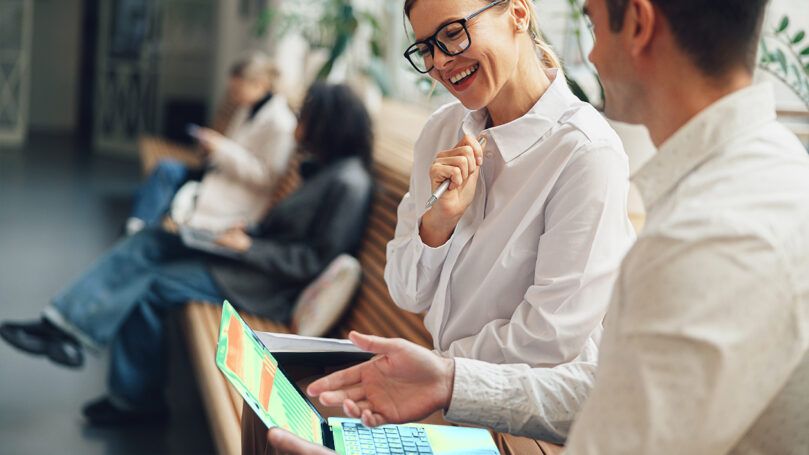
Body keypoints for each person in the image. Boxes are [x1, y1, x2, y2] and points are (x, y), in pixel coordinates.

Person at [265, 0, 809, 453]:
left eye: (593, 24)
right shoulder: (754, 181)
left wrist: (448, 387)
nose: (588, 54)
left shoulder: (711, 229)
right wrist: (451, 382)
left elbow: (612, 424)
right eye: (426, 47)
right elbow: (616, 396)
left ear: (639, 25)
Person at [242, 0, 635, 452]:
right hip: (440, 386)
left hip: (523, 419)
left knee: (291, 436)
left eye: (452, 33)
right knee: (267, 398)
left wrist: (436, 375)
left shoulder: (585, 154)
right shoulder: (441, 130)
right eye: (426, 48)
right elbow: (406, 291)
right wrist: (439, 222)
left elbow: (547, 343)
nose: (440, 63)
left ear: (519, 13)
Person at [0, 83, 375, 426]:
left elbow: (314, 261)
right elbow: (292, 231)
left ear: (327, 123)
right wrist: (247, 233)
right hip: (249, 260)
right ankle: (61, 325)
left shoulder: (349, 183)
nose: (298, 123)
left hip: (265, 285)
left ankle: (135, 400)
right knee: (150, 241)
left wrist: (250, 246)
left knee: (152, 287)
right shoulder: (330, 171)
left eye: (305, 116)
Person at [126, 52, 297, 235]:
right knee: (163, 172)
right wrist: (213, 147)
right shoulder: (248, 109)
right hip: (219, 174)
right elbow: (233, 147)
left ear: (260, 85)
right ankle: (137, 228)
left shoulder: (281, 124)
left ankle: (137, 230)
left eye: (237, 90)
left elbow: (268, 178)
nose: (233, 96)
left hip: (238, 194)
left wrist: (221, 149)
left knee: (161, 180)